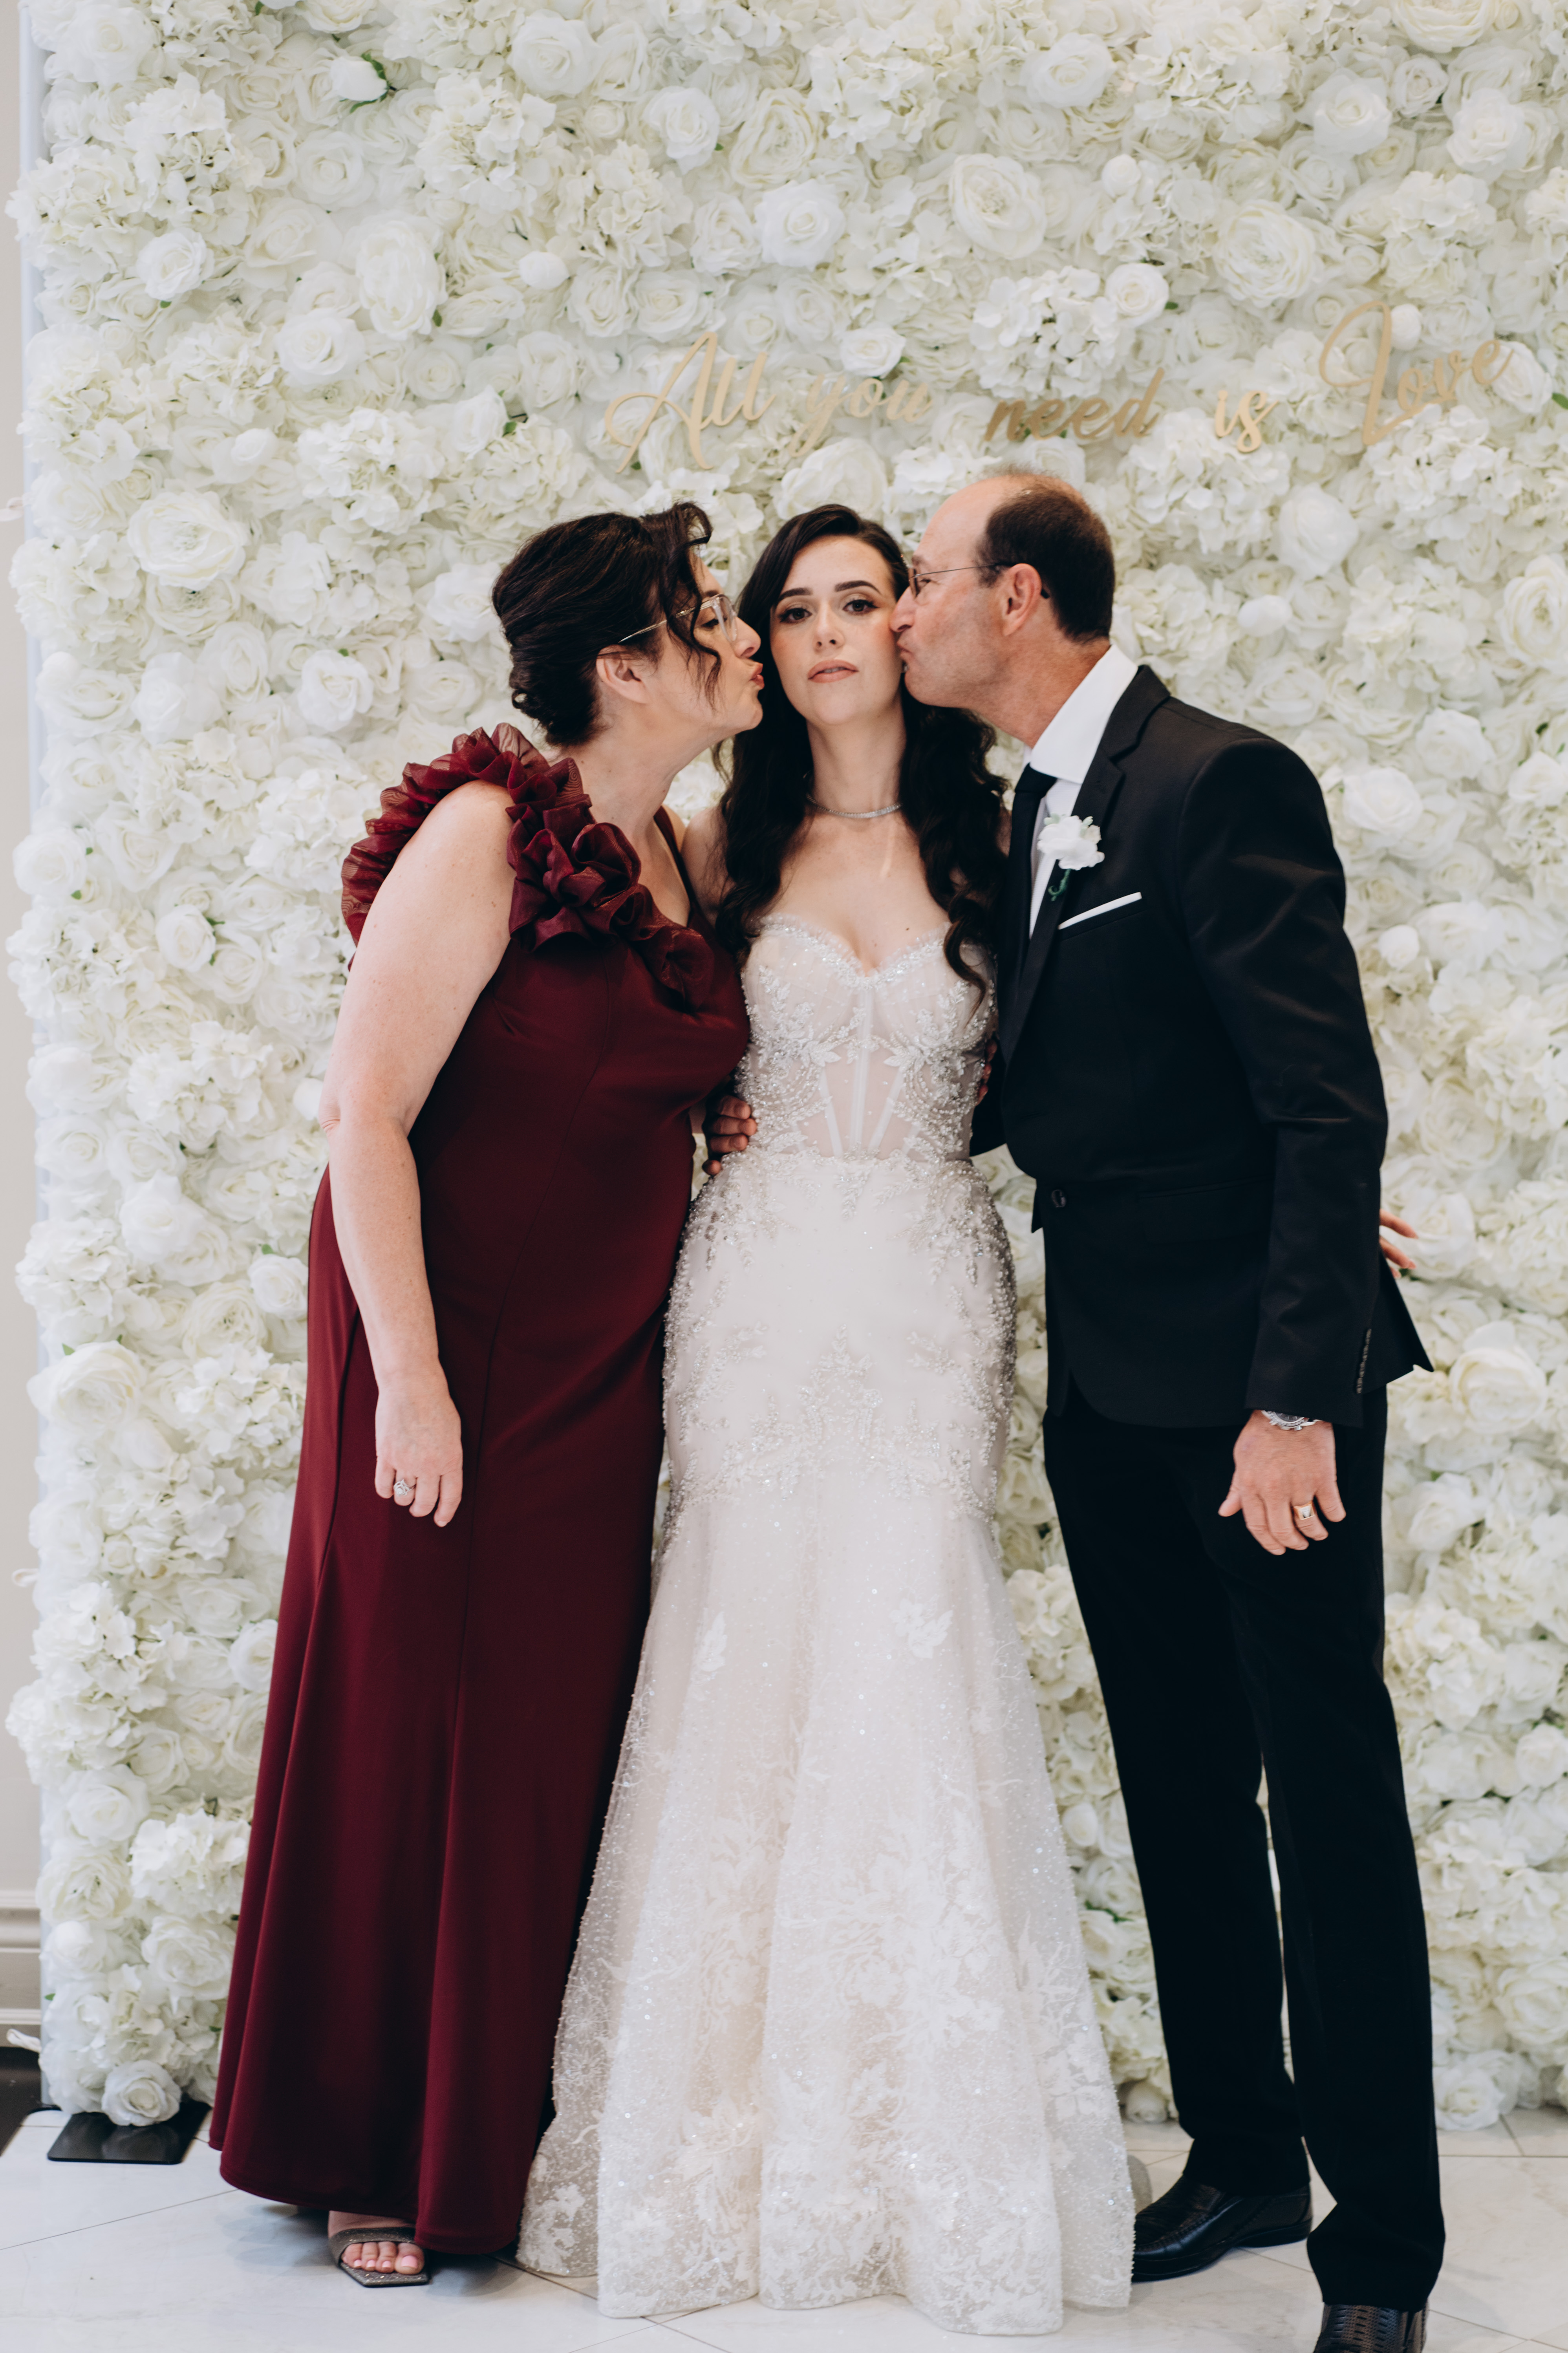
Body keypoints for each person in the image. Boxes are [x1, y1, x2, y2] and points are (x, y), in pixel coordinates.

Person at [520, 504, 1134, 2335]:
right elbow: (603, 1041)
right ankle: (715, 2142)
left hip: (931, 1300)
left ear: (912, 629)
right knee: (748, 1647)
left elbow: (1131, 1049)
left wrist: (1312, 1199)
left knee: (912, 1653)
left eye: (864, 599)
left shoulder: (1005, 840)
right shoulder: (717, 845)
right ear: (766, 653)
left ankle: (922, 2147)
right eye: (792, 610)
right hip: (760, 1298)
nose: (829, 633)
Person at [891, 472, 1442, 2353]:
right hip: (1112, 1374)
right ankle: (1244, 2156)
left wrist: (1296, 1399)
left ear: (1018, 597)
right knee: (1181, 1782)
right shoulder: (1032, 803)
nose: (905, 612)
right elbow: (1086, 1067)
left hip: (1261, 1404)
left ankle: (1383, 2250)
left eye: (927, 580)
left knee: (1329, 1795)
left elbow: (1324, 1104)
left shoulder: (1219, 781)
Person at [209, 504, 758, 2283]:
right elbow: (363, 1114)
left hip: (598, 1361)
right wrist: (413, 1386)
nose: (742, 639)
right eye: (709, 616)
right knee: (409, 1716)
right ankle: (367, 2142)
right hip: (437, 1336)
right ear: (626, 665)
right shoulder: (484, 829)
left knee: (537, 1733)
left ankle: (493, 2120)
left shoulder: (679, 852)